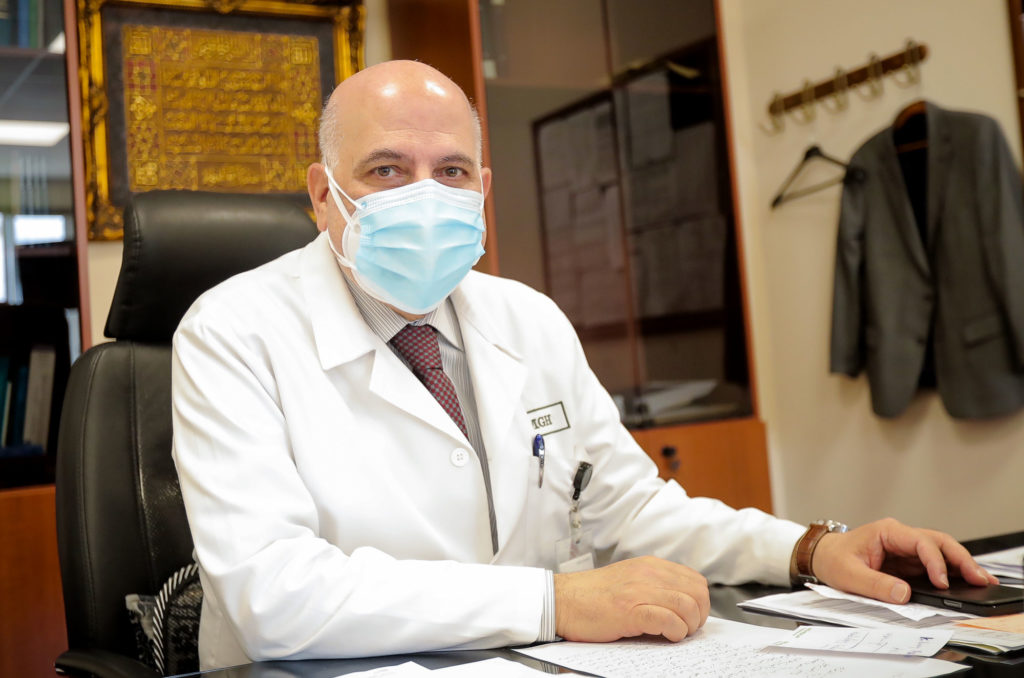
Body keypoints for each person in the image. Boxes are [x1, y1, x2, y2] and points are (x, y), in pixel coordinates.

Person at [171, 60, 997, 670]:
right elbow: (274, 595)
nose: (425, 194)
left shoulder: (526, 318)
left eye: (451, 172)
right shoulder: (231, 332)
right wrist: (554, 601)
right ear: (323, 195)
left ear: (482, 188)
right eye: (386, 171)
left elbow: (633, 511)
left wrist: (811, 549)